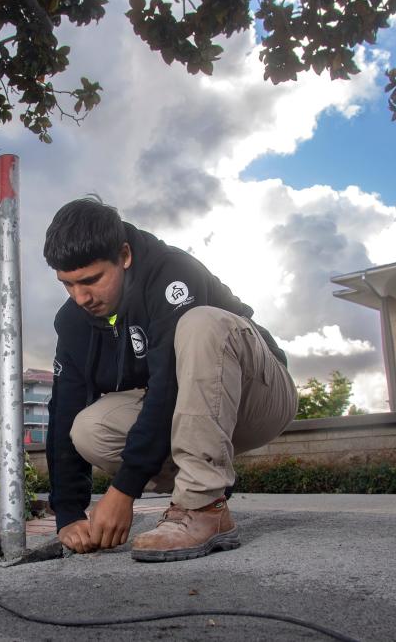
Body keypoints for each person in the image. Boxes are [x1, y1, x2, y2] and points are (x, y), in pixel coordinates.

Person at [43, 198, 298, 562]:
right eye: (67, 284)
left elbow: (169, 386)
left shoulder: (171, 271)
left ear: (125, 255)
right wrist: (68, 515)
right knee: (89, 427)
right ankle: (206, 488)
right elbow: (64, 408)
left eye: (91, 280)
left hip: (259, 394)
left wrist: (123, 491)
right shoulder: (72, 321)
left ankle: (202, 505)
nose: (80, 297)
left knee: (200, 324)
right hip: (189, 411)